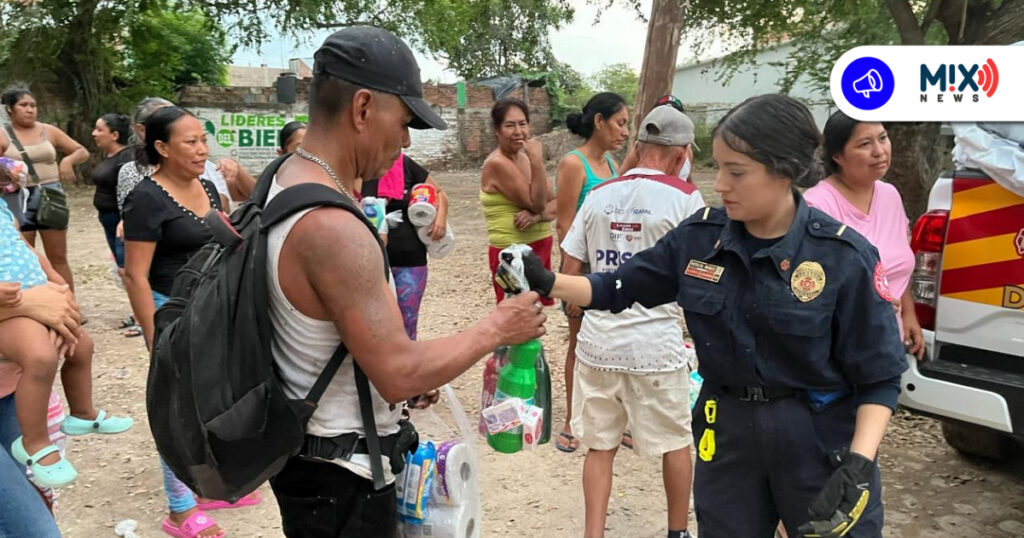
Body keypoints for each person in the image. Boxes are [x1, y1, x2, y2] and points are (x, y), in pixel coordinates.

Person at [498, 94, 908, 538]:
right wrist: (546, 280)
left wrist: (858, 464)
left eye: (736, 172)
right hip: (729, 443)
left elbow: (879, 375)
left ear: (784, 170)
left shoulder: (842, 257)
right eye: (719, 167)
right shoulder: (699, 239)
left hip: (819, 447)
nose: (721, 184)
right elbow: (617, 287)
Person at [264, 26, 544, 537]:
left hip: (309, 466)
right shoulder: (332, 226)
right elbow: (396, 372)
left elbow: (335, 344)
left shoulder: (283, 182)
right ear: (363, 108)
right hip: (343, 481)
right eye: (405, 122)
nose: (407, 141)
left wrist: (413, 375)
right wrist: (498, 328)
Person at [561, 105, 703, 538]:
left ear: (638, 148)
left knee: (599, 447)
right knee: (675, 442)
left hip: (598, 345)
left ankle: (593, 534)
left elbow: (570, 269)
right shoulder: (686, 199)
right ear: (681, 154)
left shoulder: (599, 195)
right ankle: (677, 532)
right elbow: (700, 277)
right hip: (655, 347)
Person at [122, 106, 260, 538]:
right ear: (162, 148)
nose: (202, 150)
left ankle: (208, 484)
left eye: (203, 140)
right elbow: (135, 275)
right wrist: (154, 336)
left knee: (214, 399)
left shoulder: (207, 185)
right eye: (191, 142)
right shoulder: (145, 199)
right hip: (172, 310)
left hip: (213, 308)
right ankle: (180, 510)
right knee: (177, 408)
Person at [0, 194, 133, 489]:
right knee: (40, 357)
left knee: (81, 345)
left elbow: (24, 248)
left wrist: (57, 283)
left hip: (35, 294)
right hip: (10, 307)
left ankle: (82, 412)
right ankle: (34, 441)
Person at [804, 110, 924, 360]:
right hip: (842, 351)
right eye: (865, 144)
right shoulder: (818, 206)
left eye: (883, 138)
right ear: (838, 156)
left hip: (888, 345)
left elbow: (896, 268)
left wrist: (909, 314)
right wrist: (865, 303)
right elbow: (810, 286)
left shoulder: (890, 195)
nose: (879, 151)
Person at [553, 92, 628, 453]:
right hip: (581, 273)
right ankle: (572, 420)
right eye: (620, 123)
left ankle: (614, 419)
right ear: (599, 121)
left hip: (610, 271)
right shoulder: (574, 164)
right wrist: (572, 280)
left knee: (614, 344)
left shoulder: (611, 164)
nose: (624, 131)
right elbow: (564, 224)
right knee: (579, 345)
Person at [0, 277, 81, 538]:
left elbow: (54, 285)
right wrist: (25, 305)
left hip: (8, 391)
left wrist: (57, 304)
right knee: (35, 530)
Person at [0, 87, 89, 291]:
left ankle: (69, 301)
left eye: (33, 105)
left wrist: (67, 161)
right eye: (23, 105)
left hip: (50, 194)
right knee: (26, 254)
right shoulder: (3, 135)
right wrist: (8, 174)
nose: (30, 109)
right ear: (10, 109)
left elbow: (81, 151)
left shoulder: (48, 131)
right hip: (18, 198)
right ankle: (33, 299)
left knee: (58, 256)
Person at [359, 153, 449, 340]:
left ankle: (408, 358)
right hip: (369, 262)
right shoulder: (356, 167)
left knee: (407, 323)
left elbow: (439, 193)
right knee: (372, 326)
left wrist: (440, 219)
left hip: (410, 260)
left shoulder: (403, 163)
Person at [480, 97, 556, 306]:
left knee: (536, 313)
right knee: (514, 313)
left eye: (522, 124)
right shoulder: (498, 163)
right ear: (496, 130)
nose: (518, 131)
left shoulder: (523, 158)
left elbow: (557, 202)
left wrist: (536, 217)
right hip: (511, 253)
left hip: (539, 244)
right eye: (509, 125)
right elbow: (538, 203)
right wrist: (537, 161)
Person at [91, 113, 135, 270]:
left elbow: (133, 191)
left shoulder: (127, 158)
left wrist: (125, 218)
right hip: (107, 218)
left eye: (99, 130)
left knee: (126, 266)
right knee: (120, 264)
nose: (94, 134)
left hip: (121, 220)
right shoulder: (109, 156)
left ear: (114, 135)